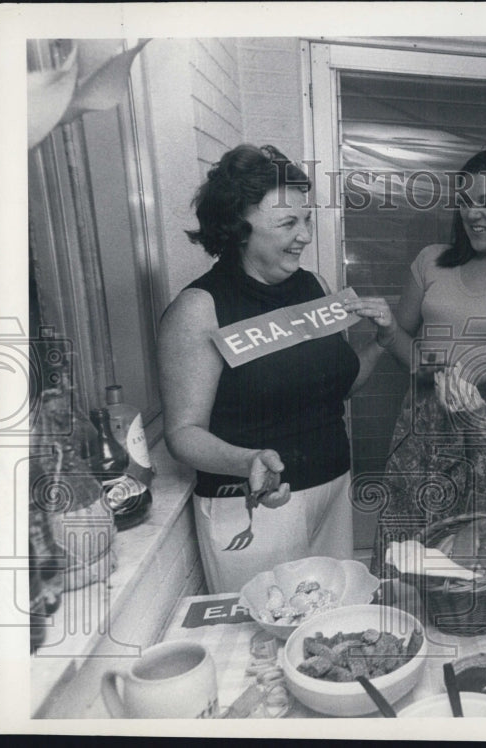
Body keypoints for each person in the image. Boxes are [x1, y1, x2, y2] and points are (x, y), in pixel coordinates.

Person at [158, 144, 394, 594]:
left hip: (332, 485)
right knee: (262, 642)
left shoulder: (313, 286)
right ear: (239, 229)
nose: (304, 234)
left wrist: (380, 345)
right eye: (288, 223)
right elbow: (182, 432)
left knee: (333, 629)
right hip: (255, 504)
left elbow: (336, 389)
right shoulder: (199, 309)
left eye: (306, 219)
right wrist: (246, 460)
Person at [370, 149, 486, 572]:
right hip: (422, 429)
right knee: (406, 553)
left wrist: (478, 371)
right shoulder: (431, 261)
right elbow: (412, 355)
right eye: (467, 201)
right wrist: (387, 333)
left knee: (476, 558)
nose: (474, 213)